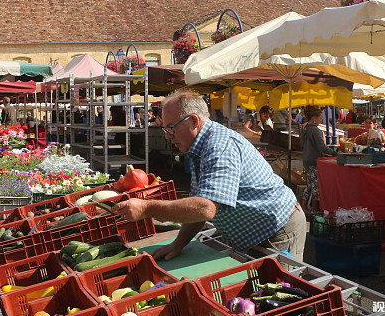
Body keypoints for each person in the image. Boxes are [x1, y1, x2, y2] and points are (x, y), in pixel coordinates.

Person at [113, 89, 305, 260]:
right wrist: (179, 243)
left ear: (194, 121)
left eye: (171, 127)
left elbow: (206, 208)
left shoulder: (219, 145)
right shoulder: (200, 146)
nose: (167, 135)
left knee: (283, 293)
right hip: (256, 233)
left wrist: (146, 208)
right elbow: (200, 204)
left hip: (278, 231)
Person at [301, 106, 335, 213]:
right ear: (314, 118)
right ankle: (315, 209)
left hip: (306, 159)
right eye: (320, 118)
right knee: (316, 185)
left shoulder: (304, 128)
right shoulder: (315, 130)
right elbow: (322, 147)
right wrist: (335, 153)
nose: (321, 120)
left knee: (310, 185)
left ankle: (304, 207)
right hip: (314, 161)